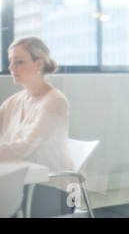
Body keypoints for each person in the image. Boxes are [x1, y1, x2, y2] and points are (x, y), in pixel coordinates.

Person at [0, 37, 75, 217]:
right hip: (24, 182)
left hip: (57, 189)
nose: (11, 68)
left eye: (19, 61)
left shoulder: (55, 101)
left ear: (38, 64)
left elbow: (26, 147)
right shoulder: (15, 101)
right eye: (11, 62)